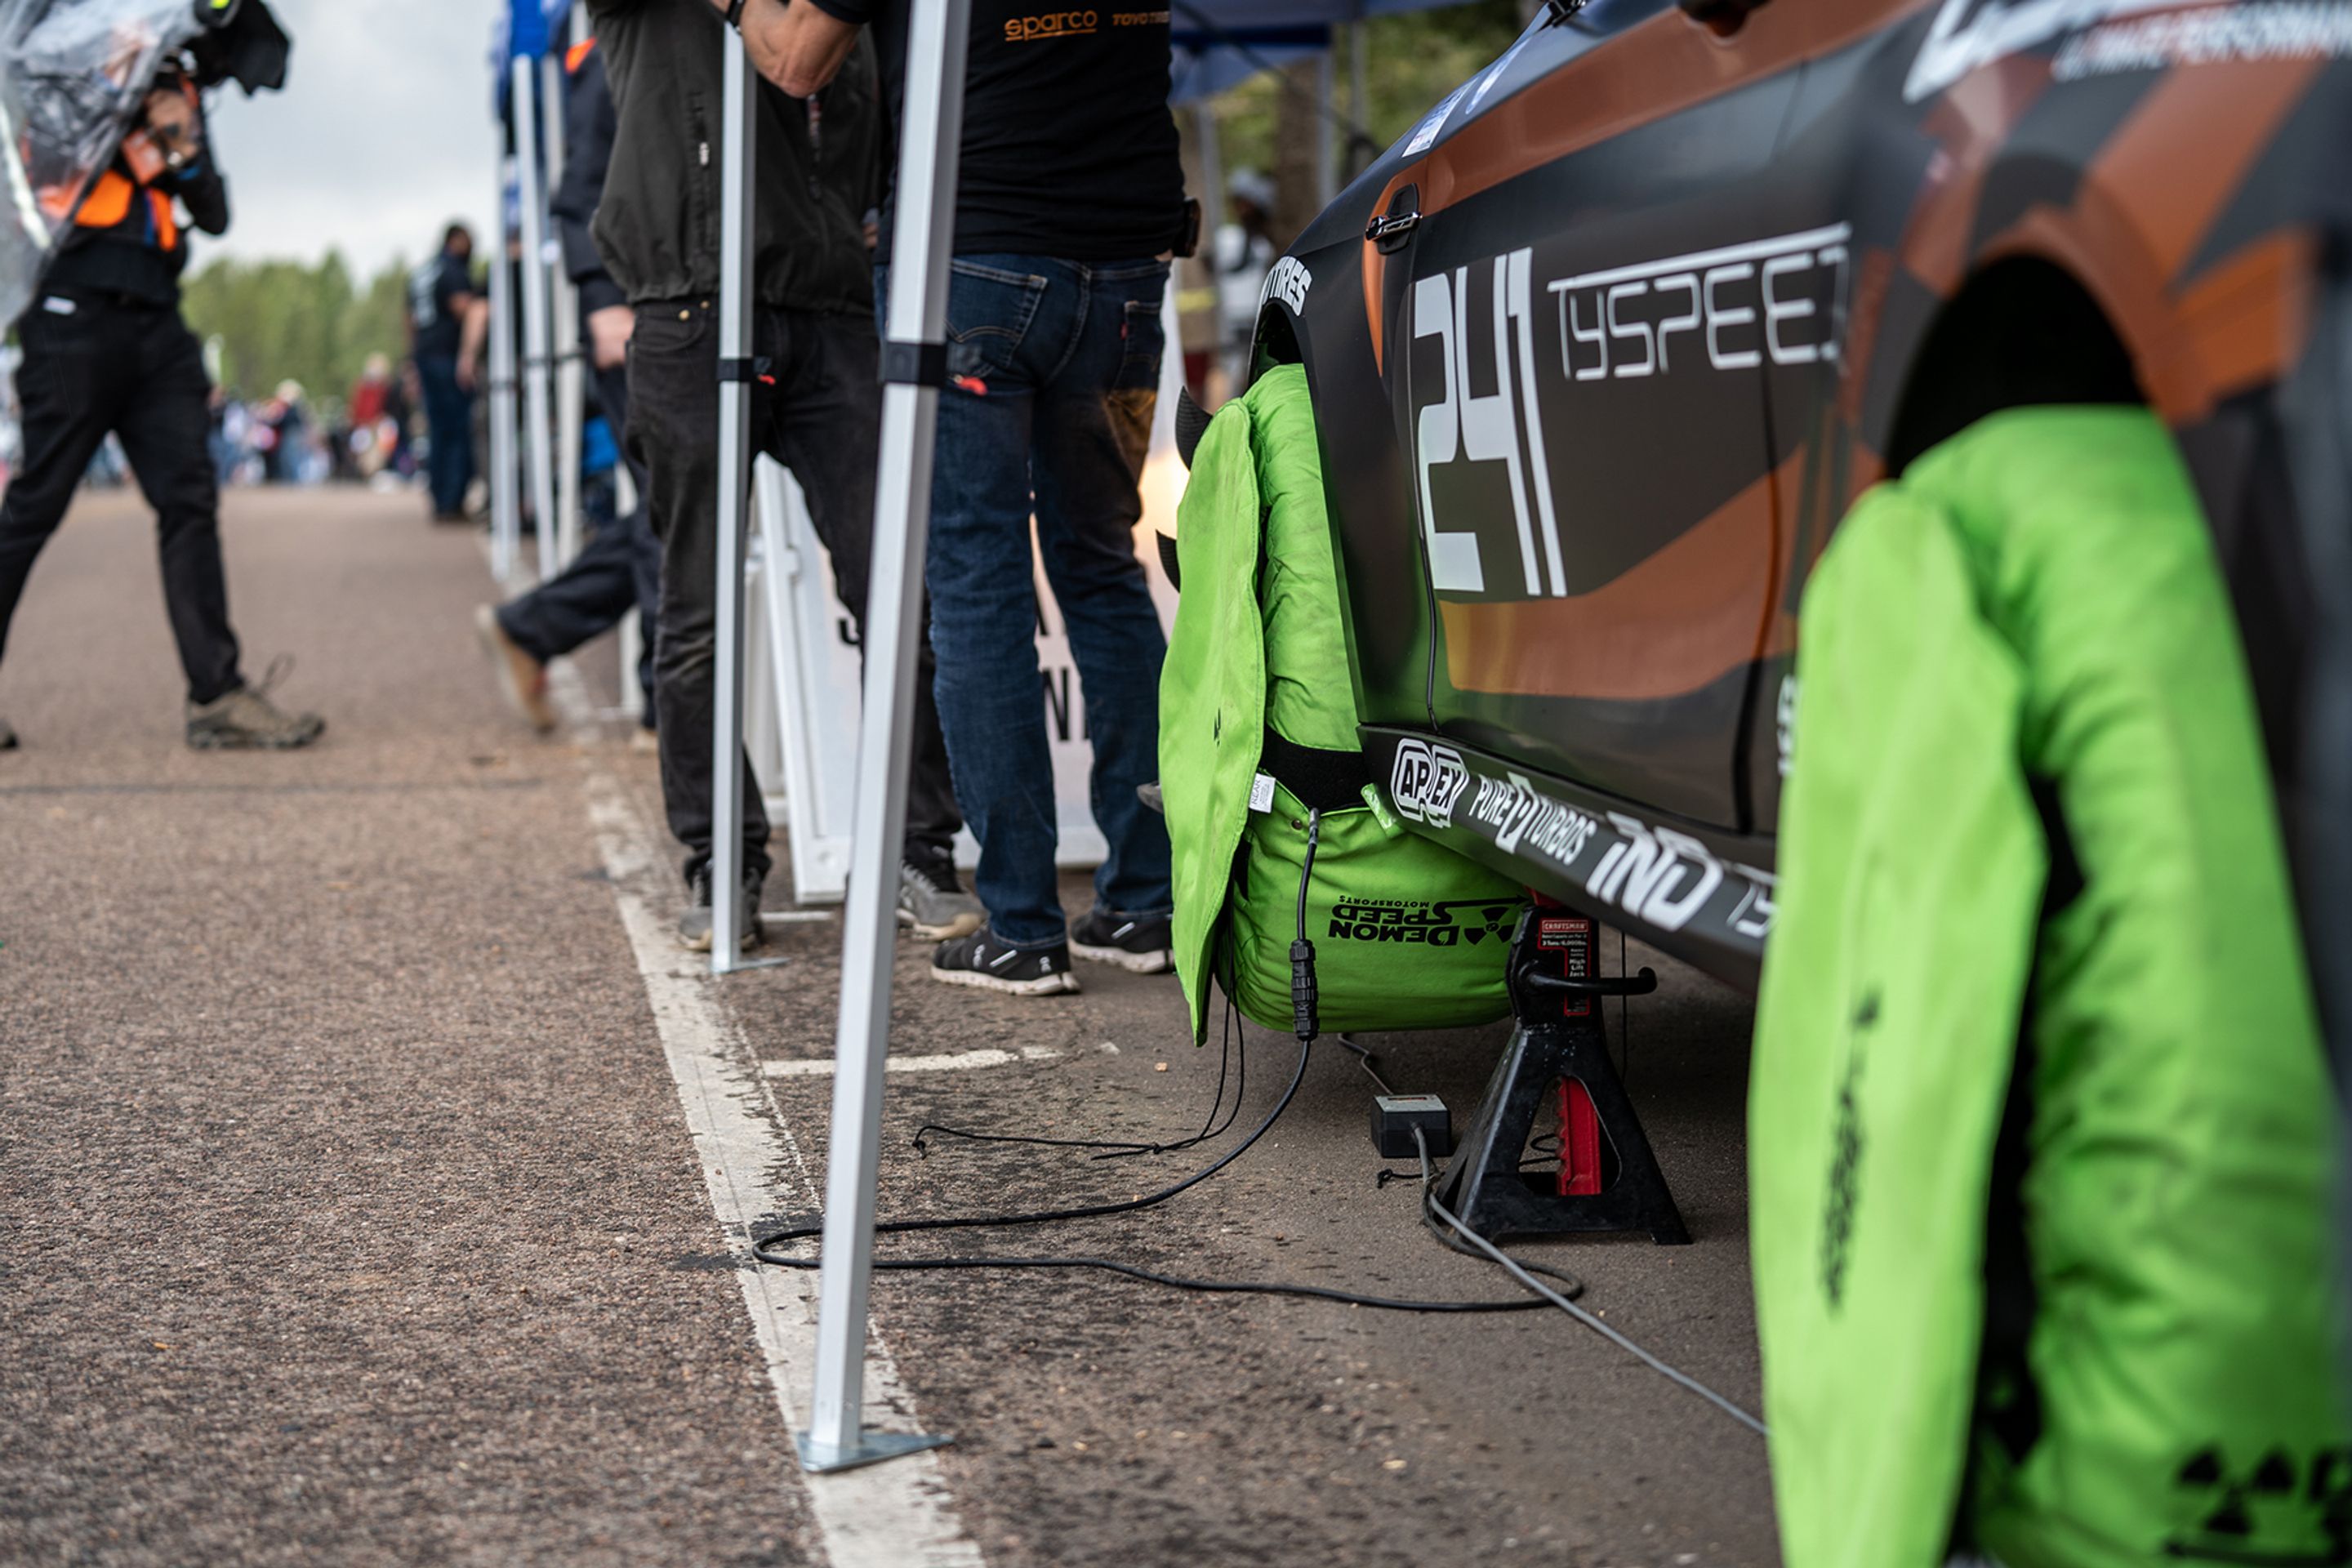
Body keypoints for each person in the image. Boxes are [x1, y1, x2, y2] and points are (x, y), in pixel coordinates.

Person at [744, 0, 1187, 996]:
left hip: (975, 261)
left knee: (977, 579)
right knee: (1103, 568)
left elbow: (796, 59)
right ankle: (1147, 901)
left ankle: (1023, 923)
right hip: (1123, 276)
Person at [582, 0, 978, 951]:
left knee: (898, 587)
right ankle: (723, 860)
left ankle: (917, 848)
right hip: (687, 308)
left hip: (833, 307)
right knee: (697, 610)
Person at [0, 65, 323, 754]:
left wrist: (179, 139)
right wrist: (119, 112)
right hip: (70, 312)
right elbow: (37, 182)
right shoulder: (58, 75)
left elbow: (213, 213)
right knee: (35, 504)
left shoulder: (171, 87)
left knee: (190, 500)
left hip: (158, 323)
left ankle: (217, 695)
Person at [472, 37, 662, 746]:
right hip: (641, 314)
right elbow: (581, 188)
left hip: (705, 308)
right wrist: (605, 299)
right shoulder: (617, 45)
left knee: (668, 509)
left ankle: (532, 628)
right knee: (671, 509)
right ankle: (666, 709)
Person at [410, 224, 478, 523]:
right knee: (457, 430)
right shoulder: (451, 270)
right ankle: (451, 500)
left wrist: (412, 361)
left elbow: (409, 321)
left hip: (425, 356)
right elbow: (463, 308)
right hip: (447, 357)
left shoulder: (421, 273)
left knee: (438, 431)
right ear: (458, 240)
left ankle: (440, 497)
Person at [1214, 170, 1276, 394]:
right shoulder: (1231, 238)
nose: (1242, 208)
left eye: (1246, 202)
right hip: (1235, 317)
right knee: (1236, 373)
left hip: (1259, 314)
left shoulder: (1268, 240)